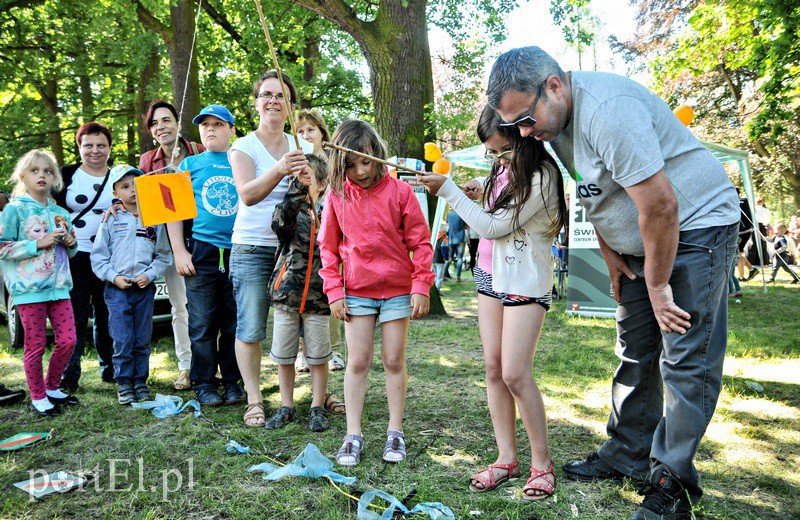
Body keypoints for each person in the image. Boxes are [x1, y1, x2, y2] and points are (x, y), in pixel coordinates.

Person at [487, 46, 739, 519]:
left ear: (554, 86)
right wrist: (610, 253)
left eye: (524, 118)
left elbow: (661, 206)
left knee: (685, 355)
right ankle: (627, 453)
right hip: (642, 241)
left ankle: (672, 483)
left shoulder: (607, 112)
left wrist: (659, 285)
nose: (523, 133)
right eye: (513, 125)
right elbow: (595, 192)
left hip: (695, 225)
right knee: (635, 346)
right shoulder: (553, 124)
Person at [417, 105, 567, 500]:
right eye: (493, 154)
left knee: (516, 373)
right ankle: (506, 458)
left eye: (504, 151)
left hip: (525, 280)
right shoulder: (503, 170)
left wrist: (448, 190)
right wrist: (481, 195)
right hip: (489, 275)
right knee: (495, 369)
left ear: (524, 138)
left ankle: (541, 464)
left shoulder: (543, 175)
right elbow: (494, 218)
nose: (499, 160)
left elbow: (495, 227)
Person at [318, 119, 434, 466]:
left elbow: (421, 242)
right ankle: (352, 434)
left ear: (378, 155)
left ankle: (394, 431)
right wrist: (334, 290)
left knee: (394, 360)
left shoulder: (401, 193)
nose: (360, 171)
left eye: (366, 161)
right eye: (351, 165)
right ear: (340, 165)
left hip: (398, 291)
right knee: (358, 361)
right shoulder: (337, 196)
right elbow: (328, 248)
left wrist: (421, 285)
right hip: (356, 292)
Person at [229, 70, 313, 425]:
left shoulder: (305, 147)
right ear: (256, 104)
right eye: (266, 94)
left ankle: (319, 394)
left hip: (295, 249)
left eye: (281, 95)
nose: (273, 101)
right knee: (251, 326)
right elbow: (247, 194)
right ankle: (254, 399)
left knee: (308, 324)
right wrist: (280, 170)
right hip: (252, 247)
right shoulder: (243, 147)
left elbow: (321, 195)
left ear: (291, 105)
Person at [163, 104, 244, 408]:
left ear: (232, 130)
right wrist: (180, 251)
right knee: (201, 322)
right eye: (205, 124)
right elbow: (173, 212)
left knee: (235, 323)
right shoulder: (189, 165)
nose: (211, 129)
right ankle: (204, 382)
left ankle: (234, 381)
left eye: (218, 124)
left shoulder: (243, 160)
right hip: (201, 251)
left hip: (240, 251)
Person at [1, 149, 79, 416]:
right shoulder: (14, 210)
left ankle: (52, 387)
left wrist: (71, 243)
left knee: (68, 341)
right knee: (34, 346)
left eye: (48, 171)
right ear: (23, 176)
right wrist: (37, 243)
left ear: (55, 177)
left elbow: (70, 251)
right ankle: (38, 396)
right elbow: (2, 248)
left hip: (60, 288)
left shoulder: (61, 213)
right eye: (35, 171)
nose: (42, 175)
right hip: (28, 290)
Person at [91, 165, 172, 404]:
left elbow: (164, 255)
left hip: (144, 289)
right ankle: (124, 382)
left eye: (136, 185)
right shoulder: (111, 219)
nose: (132, 190)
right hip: (117, 290)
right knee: (122, 337)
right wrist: (113, 276)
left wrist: (151, 274)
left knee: (141, 338)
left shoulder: (154, 218)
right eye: (125, 186)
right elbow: (98, 257)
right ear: (116, 191)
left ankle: (140, 381)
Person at [139, 100, 205, 391]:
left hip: (204, 235)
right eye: (154, 123)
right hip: (169, 240)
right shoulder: (146, 162)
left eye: (166, 120)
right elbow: (141, 202)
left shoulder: (200, 151)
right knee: (180, 306)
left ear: (178, 123)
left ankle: (212, 364)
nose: (161, 127)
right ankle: (186, 366)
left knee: (208, 306)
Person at [266, 154, 334, 432]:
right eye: (297, 179)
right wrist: (295, 191)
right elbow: (279, 225)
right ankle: (286, 405)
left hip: (319, 298)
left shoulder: (331, 211)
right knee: (284, 355)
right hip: (287, 296)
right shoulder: (289, 210)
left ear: (323, 183)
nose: (302, 184)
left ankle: (318, 405)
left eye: (308, 179)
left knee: (318, 356)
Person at [55, 122, 116, 394]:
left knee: (107, 316)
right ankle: (69, 376)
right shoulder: (65, 175)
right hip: (73, 256)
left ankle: (111, 370)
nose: (95, 150)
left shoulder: (119, 177)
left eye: (101, 145)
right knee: (75, 316)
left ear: (109, 148)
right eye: (88, 145)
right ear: (79, 147)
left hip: (108, 258)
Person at [295, 108, 346, 374]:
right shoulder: (294, 161)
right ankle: (304, 352)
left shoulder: (334, 161)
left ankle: (332, 348)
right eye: (300, 131)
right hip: (303, 239)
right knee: (303, 294)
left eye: (310, 130)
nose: (305, 135)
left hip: (332, 237)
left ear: (321, 132)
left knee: (330, 290)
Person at [445, 209, 466, 282]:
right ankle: (458, 277)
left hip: (451, 238)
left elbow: (447, 225)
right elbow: (465, 225)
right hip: (460, 238)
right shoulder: (461, 213)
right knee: (460, 258)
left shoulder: (449, 214)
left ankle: (444, 274)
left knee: (450, 258)